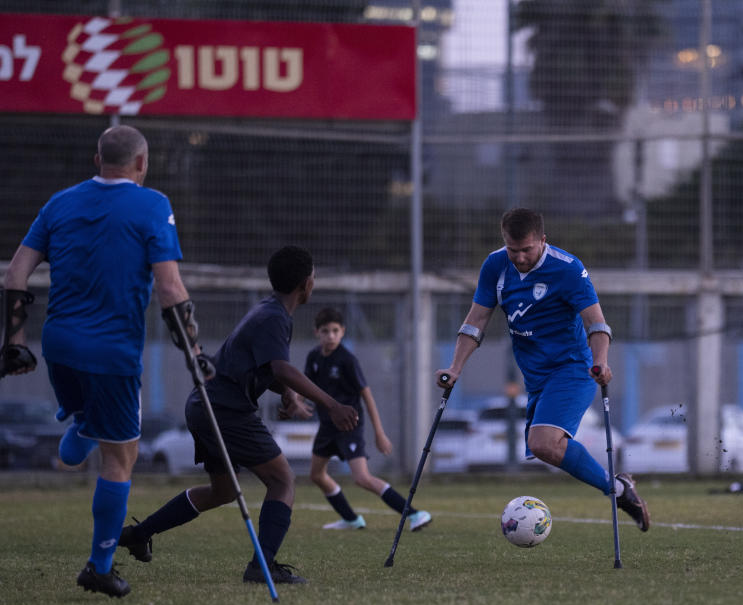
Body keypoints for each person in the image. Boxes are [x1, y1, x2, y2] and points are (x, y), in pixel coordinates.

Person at [1, 125, 200, 598]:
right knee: (122, 456)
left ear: (97, 161)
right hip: (112, 355)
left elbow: (15, 273)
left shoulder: (59, 203)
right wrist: (193, 347)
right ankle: (99, 565)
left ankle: (81, 426)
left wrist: (14, 340)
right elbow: (170, 289)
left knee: (92, 429)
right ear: (142, 164)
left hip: (59, 348)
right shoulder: (153, 204)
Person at [117, 246, 359, 585]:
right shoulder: (275, 317)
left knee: (223, 491)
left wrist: (288, 395)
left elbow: (267, 368)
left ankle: (139, 533)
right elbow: (281, 368)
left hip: (204, 406)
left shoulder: (267, 310)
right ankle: (263, 566)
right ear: (306, 284)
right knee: (282, 481)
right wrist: (331, 405)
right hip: (225, 410)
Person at [435, 207, 650, 530]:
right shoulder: (495, 265)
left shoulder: (568, 269)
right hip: (535, 376)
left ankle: (617, 491)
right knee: (546, 449)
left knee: (543, 443)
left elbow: (597, 323)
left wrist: (600, 360)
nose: (519, 257)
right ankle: (620, 487)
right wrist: (455, 368)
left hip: (574, 369)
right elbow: (476, 320)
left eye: (527, 250)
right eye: (513, 249)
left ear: (543, 241)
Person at [304, 308, 432, 531]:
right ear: (317, 333)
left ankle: (415, 514)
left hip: (349, 426)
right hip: (327, 427)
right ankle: (352, 520)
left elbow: (367, 395)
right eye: (326, 331)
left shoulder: (347, 360)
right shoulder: (314, 358)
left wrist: (379, 433)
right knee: (316, 475)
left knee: (362, 478)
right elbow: (305, 385)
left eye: (335, 331)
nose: (331, 336)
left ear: (343, 332)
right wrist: (295, 401)